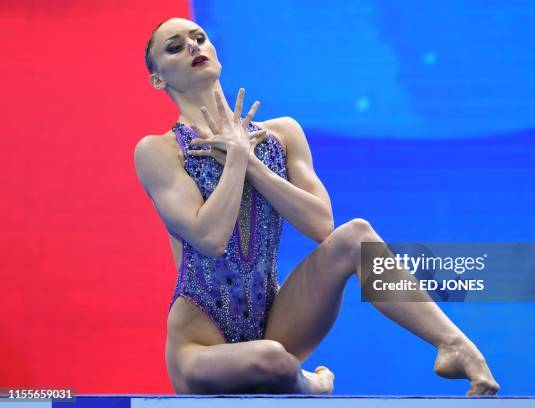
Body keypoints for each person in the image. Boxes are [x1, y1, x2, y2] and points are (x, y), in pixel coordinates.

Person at [134, 17, 500, 395]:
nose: (194, 47)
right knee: (272, 359)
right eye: (175, 47)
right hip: (199, 346)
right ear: (158, 79)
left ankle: (455, 345)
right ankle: (309, 384)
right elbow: (210, 238)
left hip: (274, 321)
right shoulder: (159, 152)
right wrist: (236, 161)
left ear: (216, 54)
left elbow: (321, 225)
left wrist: (251, 161)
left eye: (199, 38)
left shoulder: (282, 134)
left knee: (355, 236)